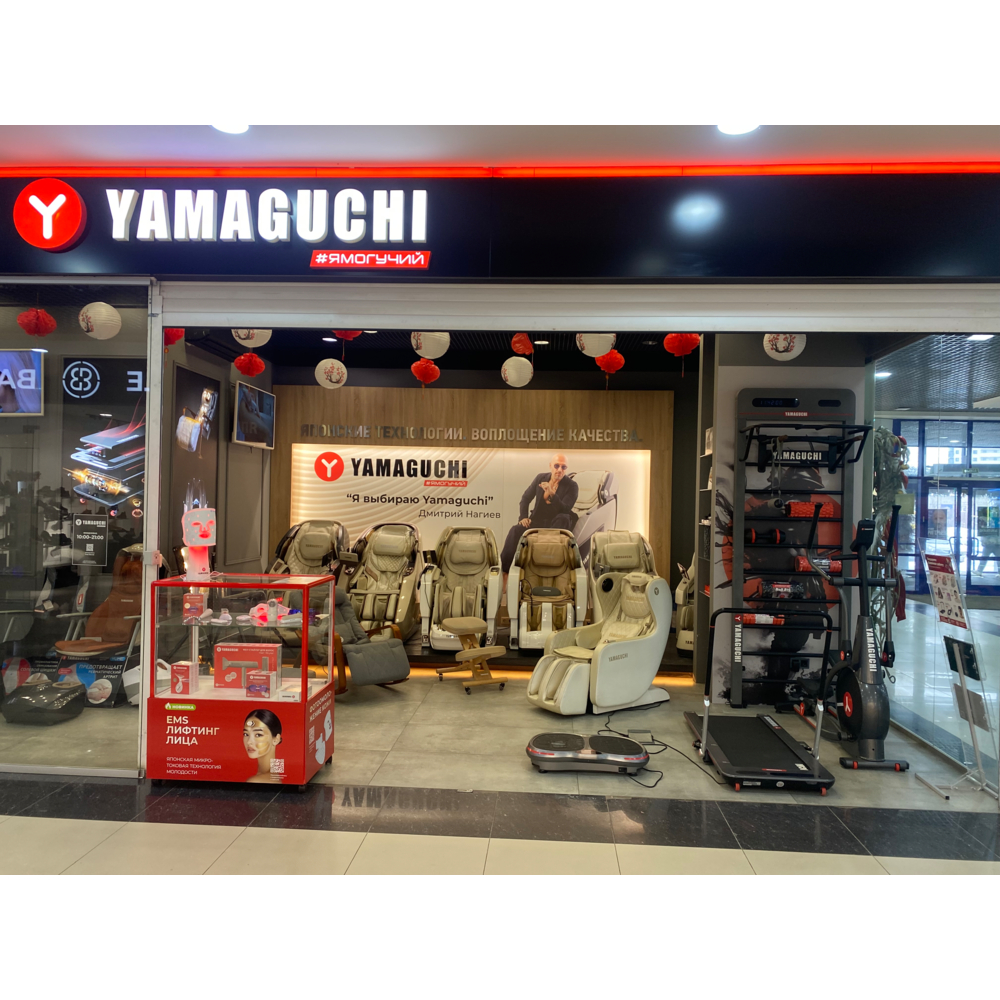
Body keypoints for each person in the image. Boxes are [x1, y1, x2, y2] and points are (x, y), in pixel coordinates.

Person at [500, 453, 579, 572]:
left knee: (563, 517)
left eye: (563, 467)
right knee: (515, 530)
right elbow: (525, 498)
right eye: (556, 466)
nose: (559, 470)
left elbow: (565, 509)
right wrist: (523, 517)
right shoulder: (540, 478)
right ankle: (504, 571)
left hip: (557, 523)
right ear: (550, 466)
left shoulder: (572, 485)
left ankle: (549, 565)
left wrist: (552, 493)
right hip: (538, 520)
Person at [243, 708, 284, 783]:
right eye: (246, 734)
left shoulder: (255, 781)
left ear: (276, 739)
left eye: (258, 735)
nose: (249, 742)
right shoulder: (274, 776)